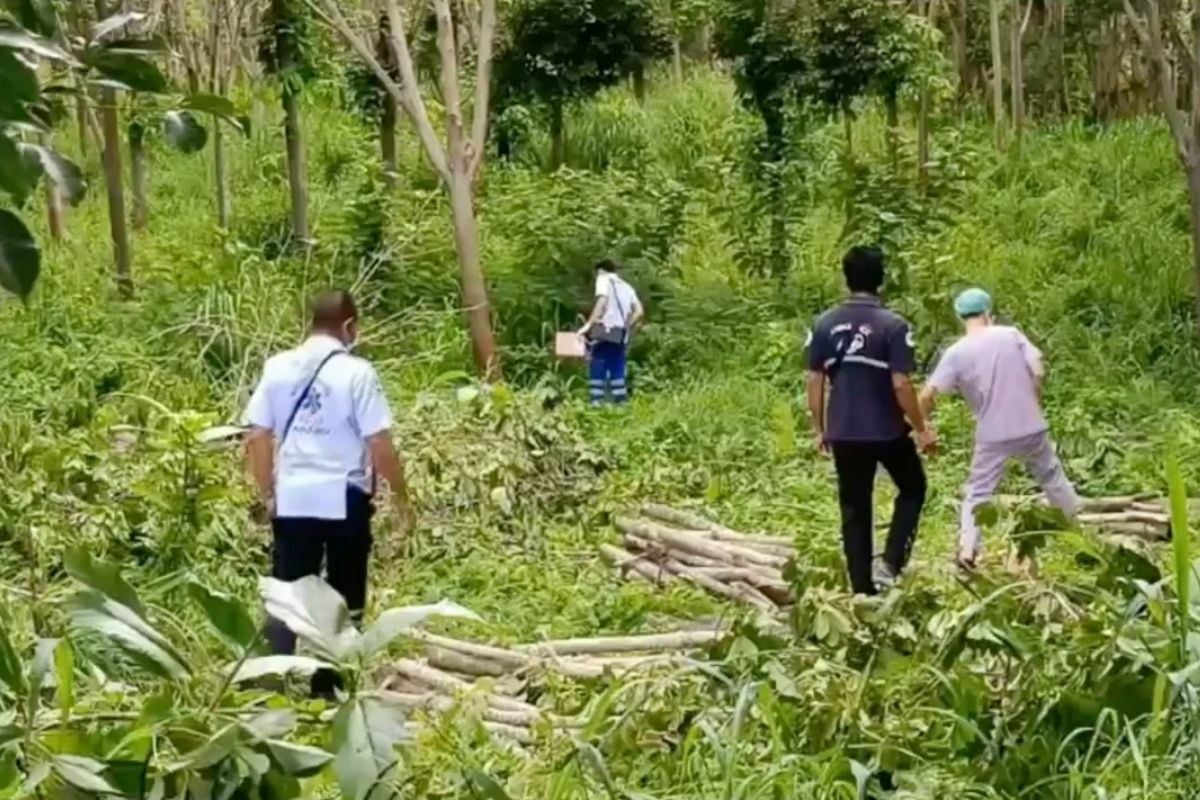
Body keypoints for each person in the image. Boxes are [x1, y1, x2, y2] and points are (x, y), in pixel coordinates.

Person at [243, 289, 415, 659]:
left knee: (287, 594)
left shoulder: (277, 366)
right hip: (344, 497)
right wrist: (400, 495)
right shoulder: (357, 373)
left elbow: (257, 436)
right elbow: (379, 442)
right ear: (349, 326)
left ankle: (274, 677)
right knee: (344, 594)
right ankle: (331, 682)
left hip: (293, 497)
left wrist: (267, 492)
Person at [806, 247, 936, 595]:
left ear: (846, 279)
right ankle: (891, 562)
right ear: (881, 280)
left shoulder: (824, 324)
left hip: (844, 431)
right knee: (912, 487)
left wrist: (819, 429)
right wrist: (921, 427)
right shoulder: (893, 325)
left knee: (854, 506)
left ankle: (862, 590)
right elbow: (901, 382)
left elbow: (815, 379)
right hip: (886, 429)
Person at [920, 288, 1078, 570]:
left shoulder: (956, 352)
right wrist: (1033, 401)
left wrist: (924, 427)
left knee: (979, 491)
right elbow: (1038, 368)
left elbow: (928, 393)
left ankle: (968, 550)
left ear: (961, 317)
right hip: (1030, 425)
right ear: (987, 313)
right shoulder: (1010, 335)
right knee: (1053, 477)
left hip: (992, 432)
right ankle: (1077, 535)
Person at [577, 259, 644, 406]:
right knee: (617, 365)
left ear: (600, 270)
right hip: (620, 334)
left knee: (598, 362)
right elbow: (639, 311)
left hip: (605, 331)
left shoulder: (603, 279)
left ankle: (596, 403)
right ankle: (621, 403)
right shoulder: (627, 287)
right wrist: (626, 325)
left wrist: (588, 325)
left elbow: (602, 302)